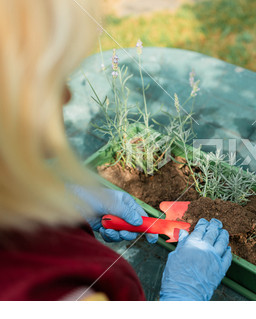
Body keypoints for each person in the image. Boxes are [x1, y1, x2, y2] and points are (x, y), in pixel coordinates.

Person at [0, 0, 231, 301]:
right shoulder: (46, 290)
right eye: (54, 80)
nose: (68, 96)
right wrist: (183, 297)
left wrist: (64, 202)